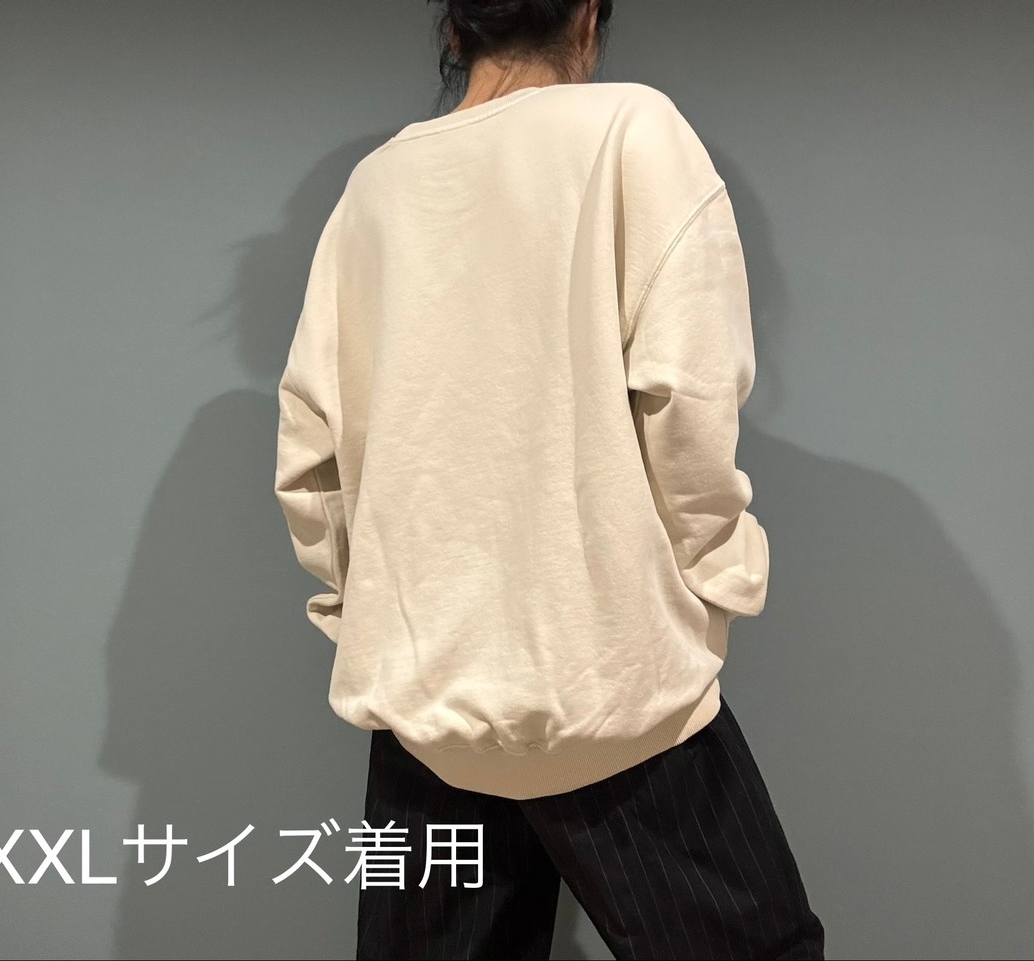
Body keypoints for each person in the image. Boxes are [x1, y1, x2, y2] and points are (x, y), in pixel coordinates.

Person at [274, 1, 826, 957]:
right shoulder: (632, 130)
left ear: (456, 31)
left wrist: (370, 621)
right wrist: (710, 583)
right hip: (614, 684)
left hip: (426, 700)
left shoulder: (376, 188)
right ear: (588, 15)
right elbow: (689, 401)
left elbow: (310, 457)